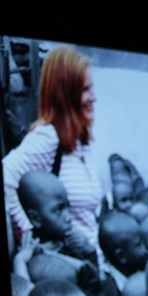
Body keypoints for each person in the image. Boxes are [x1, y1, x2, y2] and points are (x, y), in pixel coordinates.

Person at [3, 45, 103, 268]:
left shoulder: (80, 141)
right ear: (65, 95)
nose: (94, 97)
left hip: (92, 263)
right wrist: (29, 236)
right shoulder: (48, 137)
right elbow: (5, 177)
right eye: (86, 90)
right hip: (69, 269)